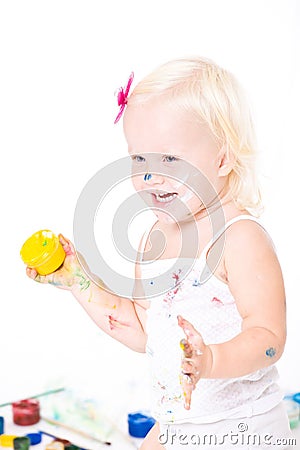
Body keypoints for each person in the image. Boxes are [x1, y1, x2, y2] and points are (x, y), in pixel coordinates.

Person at [26, 57, 292, 449]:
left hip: (243, 428)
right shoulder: (156, 239)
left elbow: (269, 338)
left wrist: (212, 360)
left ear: (223, 158)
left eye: (169, 158)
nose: (150, 175)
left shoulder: (239, 238)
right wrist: (76, 278)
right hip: (182, 422)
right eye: (138, 159)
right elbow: (141, 329)